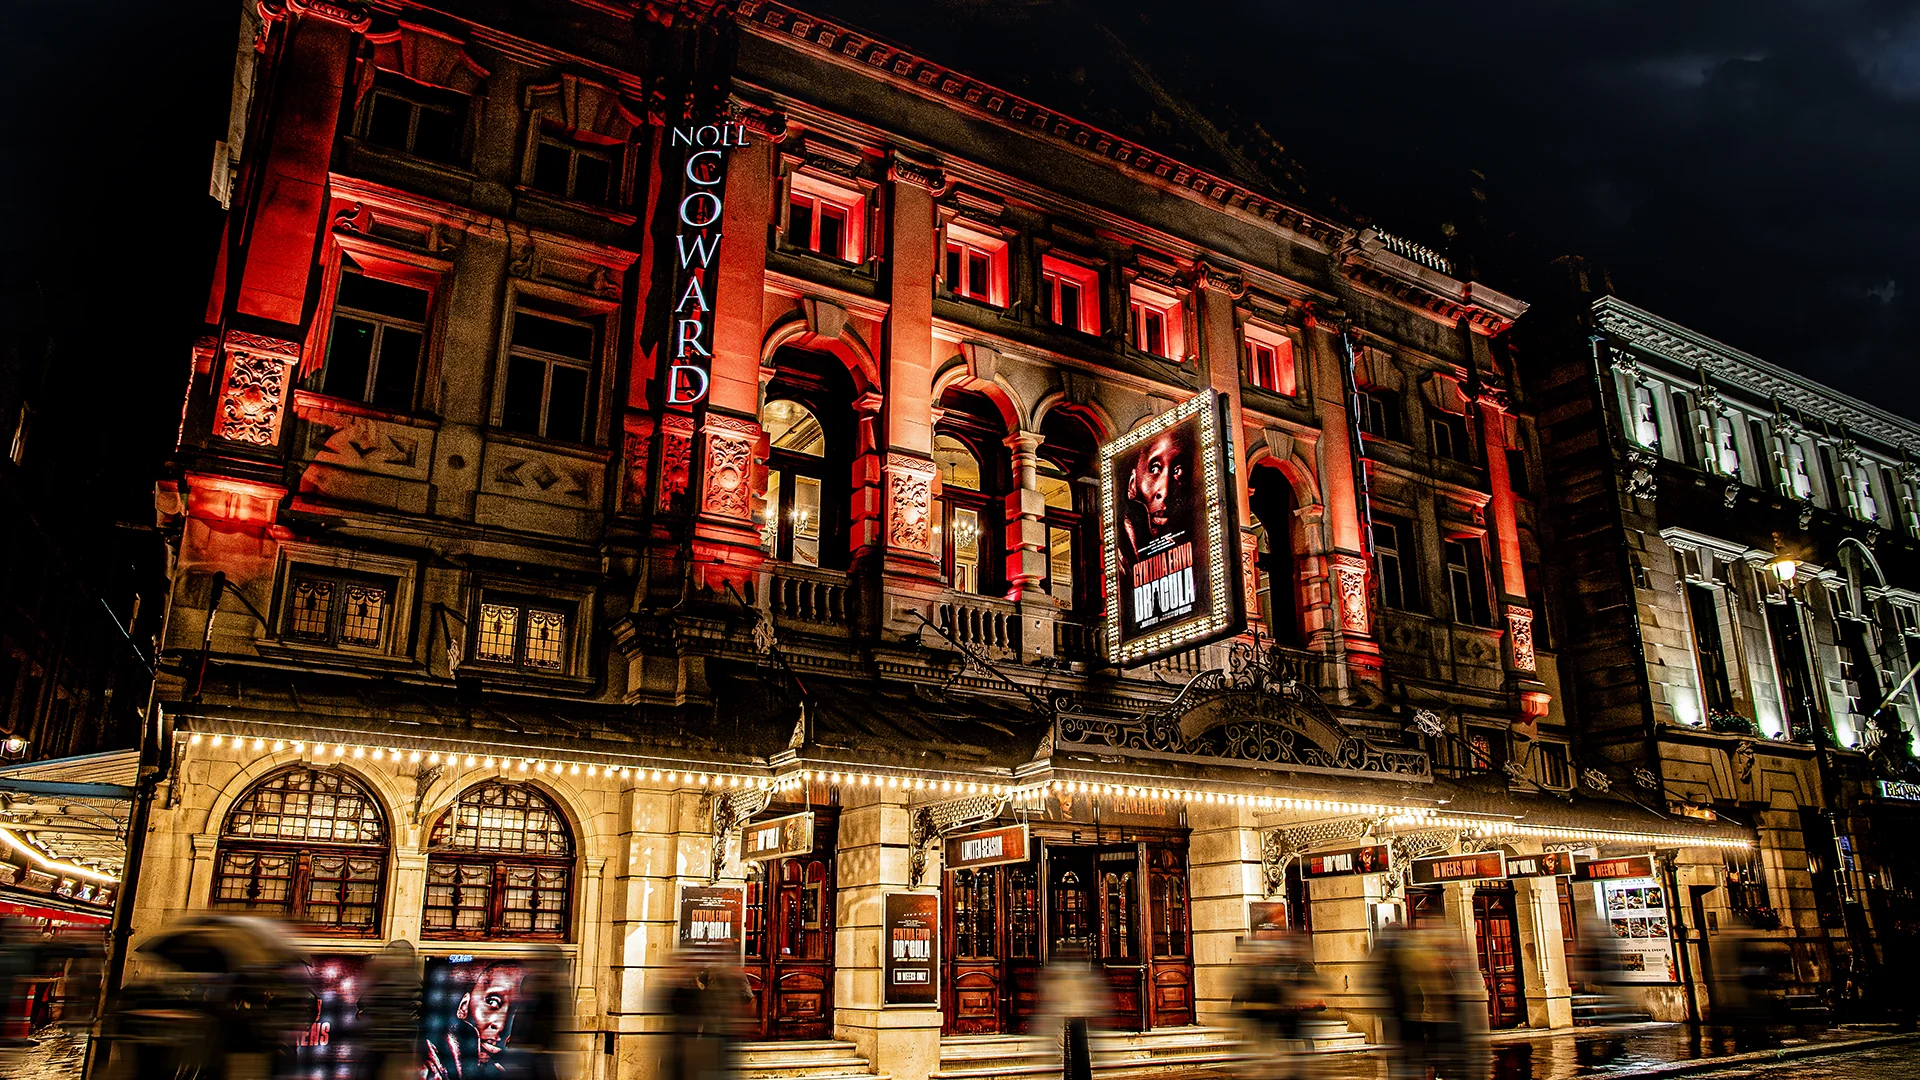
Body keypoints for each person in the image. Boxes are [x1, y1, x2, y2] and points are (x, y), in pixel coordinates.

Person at [424, 959, 531, 1080]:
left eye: (516, 1013)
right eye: (492, 1002)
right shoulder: (427, 1069)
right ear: (464, 1006)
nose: (501, 1025)